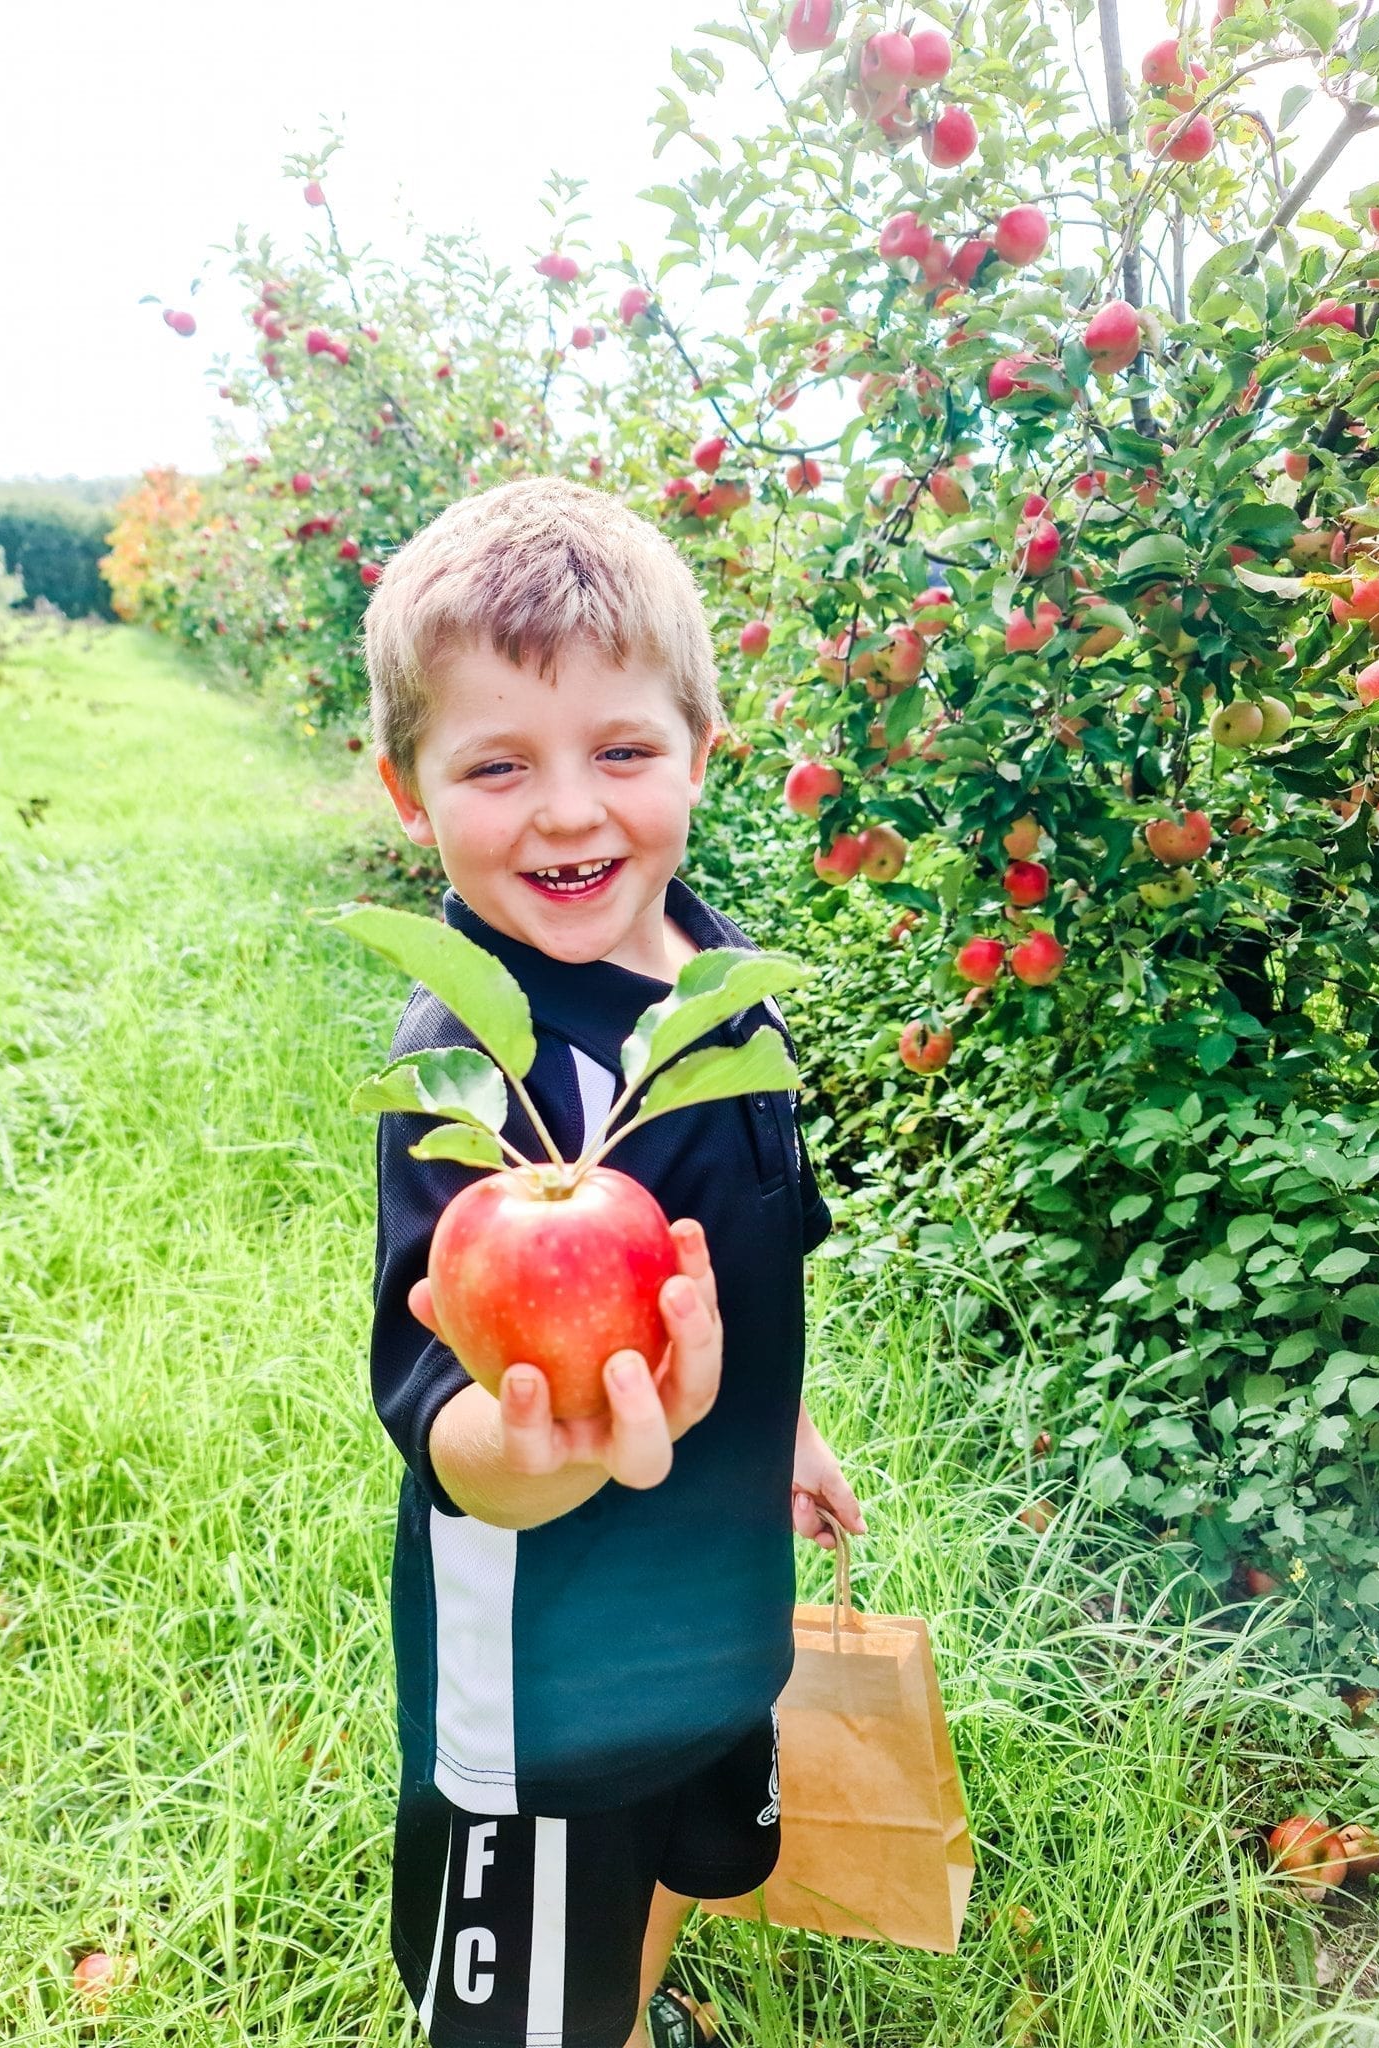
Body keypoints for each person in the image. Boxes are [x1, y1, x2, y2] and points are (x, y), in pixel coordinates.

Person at [365, 475, 865, 2048]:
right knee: (534, 1990)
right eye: (498, 764)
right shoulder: (474, 1082)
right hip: (556, 1669)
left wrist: (781, 1425)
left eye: (623, 752)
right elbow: (443, 1416)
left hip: (718, 1610)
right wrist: (542, 1454)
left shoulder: (723, 1002)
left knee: (659, 1873)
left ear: (704, 758)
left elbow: (768, 1257)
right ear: (407, 792)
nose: (570, 812)